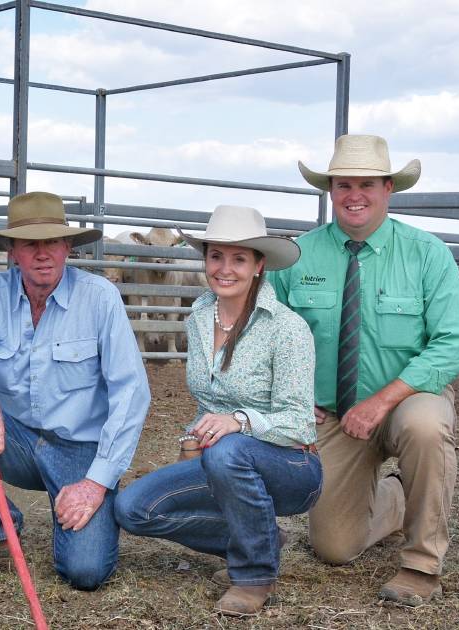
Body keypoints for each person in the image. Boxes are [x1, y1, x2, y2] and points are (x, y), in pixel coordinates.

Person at [270, 134, 459, 606]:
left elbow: (454, 344)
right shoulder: (297, 257)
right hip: (334, 414)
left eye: (367, 184)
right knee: (334, 548)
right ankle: (396, 499)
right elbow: (269, 337)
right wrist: (293, 397)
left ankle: (421, 565)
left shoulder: (426, 253)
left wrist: (382, 401)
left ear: (388, 189)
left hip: (407, 398)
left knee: (426, 427)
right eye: (343, 184)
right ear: (330, 190)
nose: (354, 195)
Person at [0, 191, 151, 590]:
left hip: (82, 451)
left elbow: (131, 392)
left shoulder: (100, 298)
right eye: (30, 244)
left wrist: (96, 482)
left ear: (68, 248)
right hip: (17, 438)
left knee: (85, 572)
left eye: (52, 242)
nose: (42, 253)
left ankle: (92, 497)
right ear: (12, 251)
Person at [113, 205, 320, 616]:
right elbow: (209, 403)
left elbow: (300, 424)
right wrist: (195, 434)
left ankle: (254, 575)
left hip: (291, 468)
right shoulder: (199, 315)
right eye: (216, 256)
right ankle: (261, 535)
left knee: (229, 449)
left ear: (259, 265)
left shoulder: (287, 328)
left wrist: (239, 421)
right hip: (222, 460)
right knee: (132, 508)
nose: (225, 268)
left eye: (239, 258)